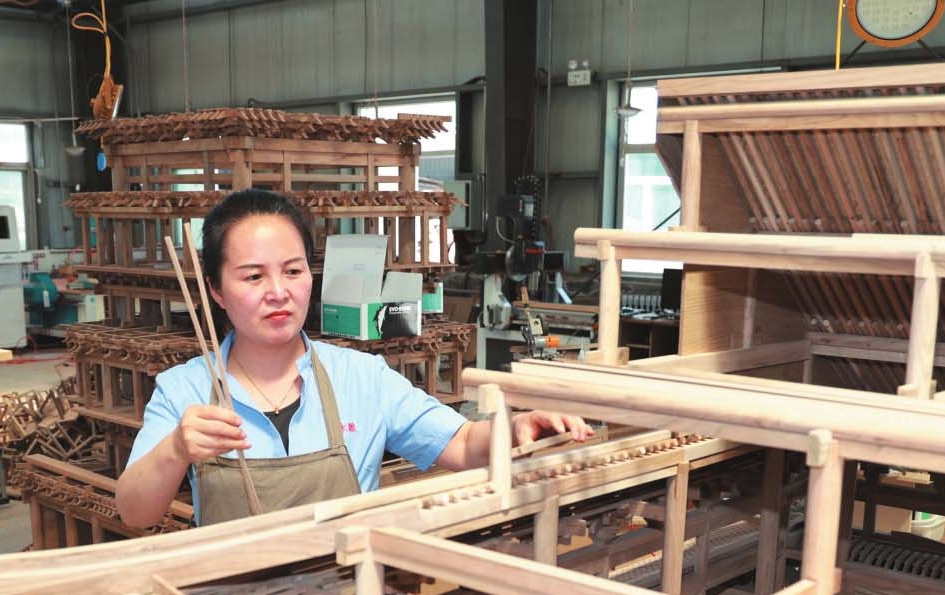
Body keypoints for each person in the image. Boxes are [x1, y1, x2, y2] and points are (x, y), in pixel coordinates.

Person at [115, 189, 593, 529]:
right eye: (253, 277)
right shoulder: (185, 389)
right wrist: (176, 450)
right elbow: (135, 512)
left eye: (293, 271)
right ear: (216, 291)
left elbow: (463, 444)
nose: (278, 292)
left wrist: (516, 427)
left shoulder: (361, 377)